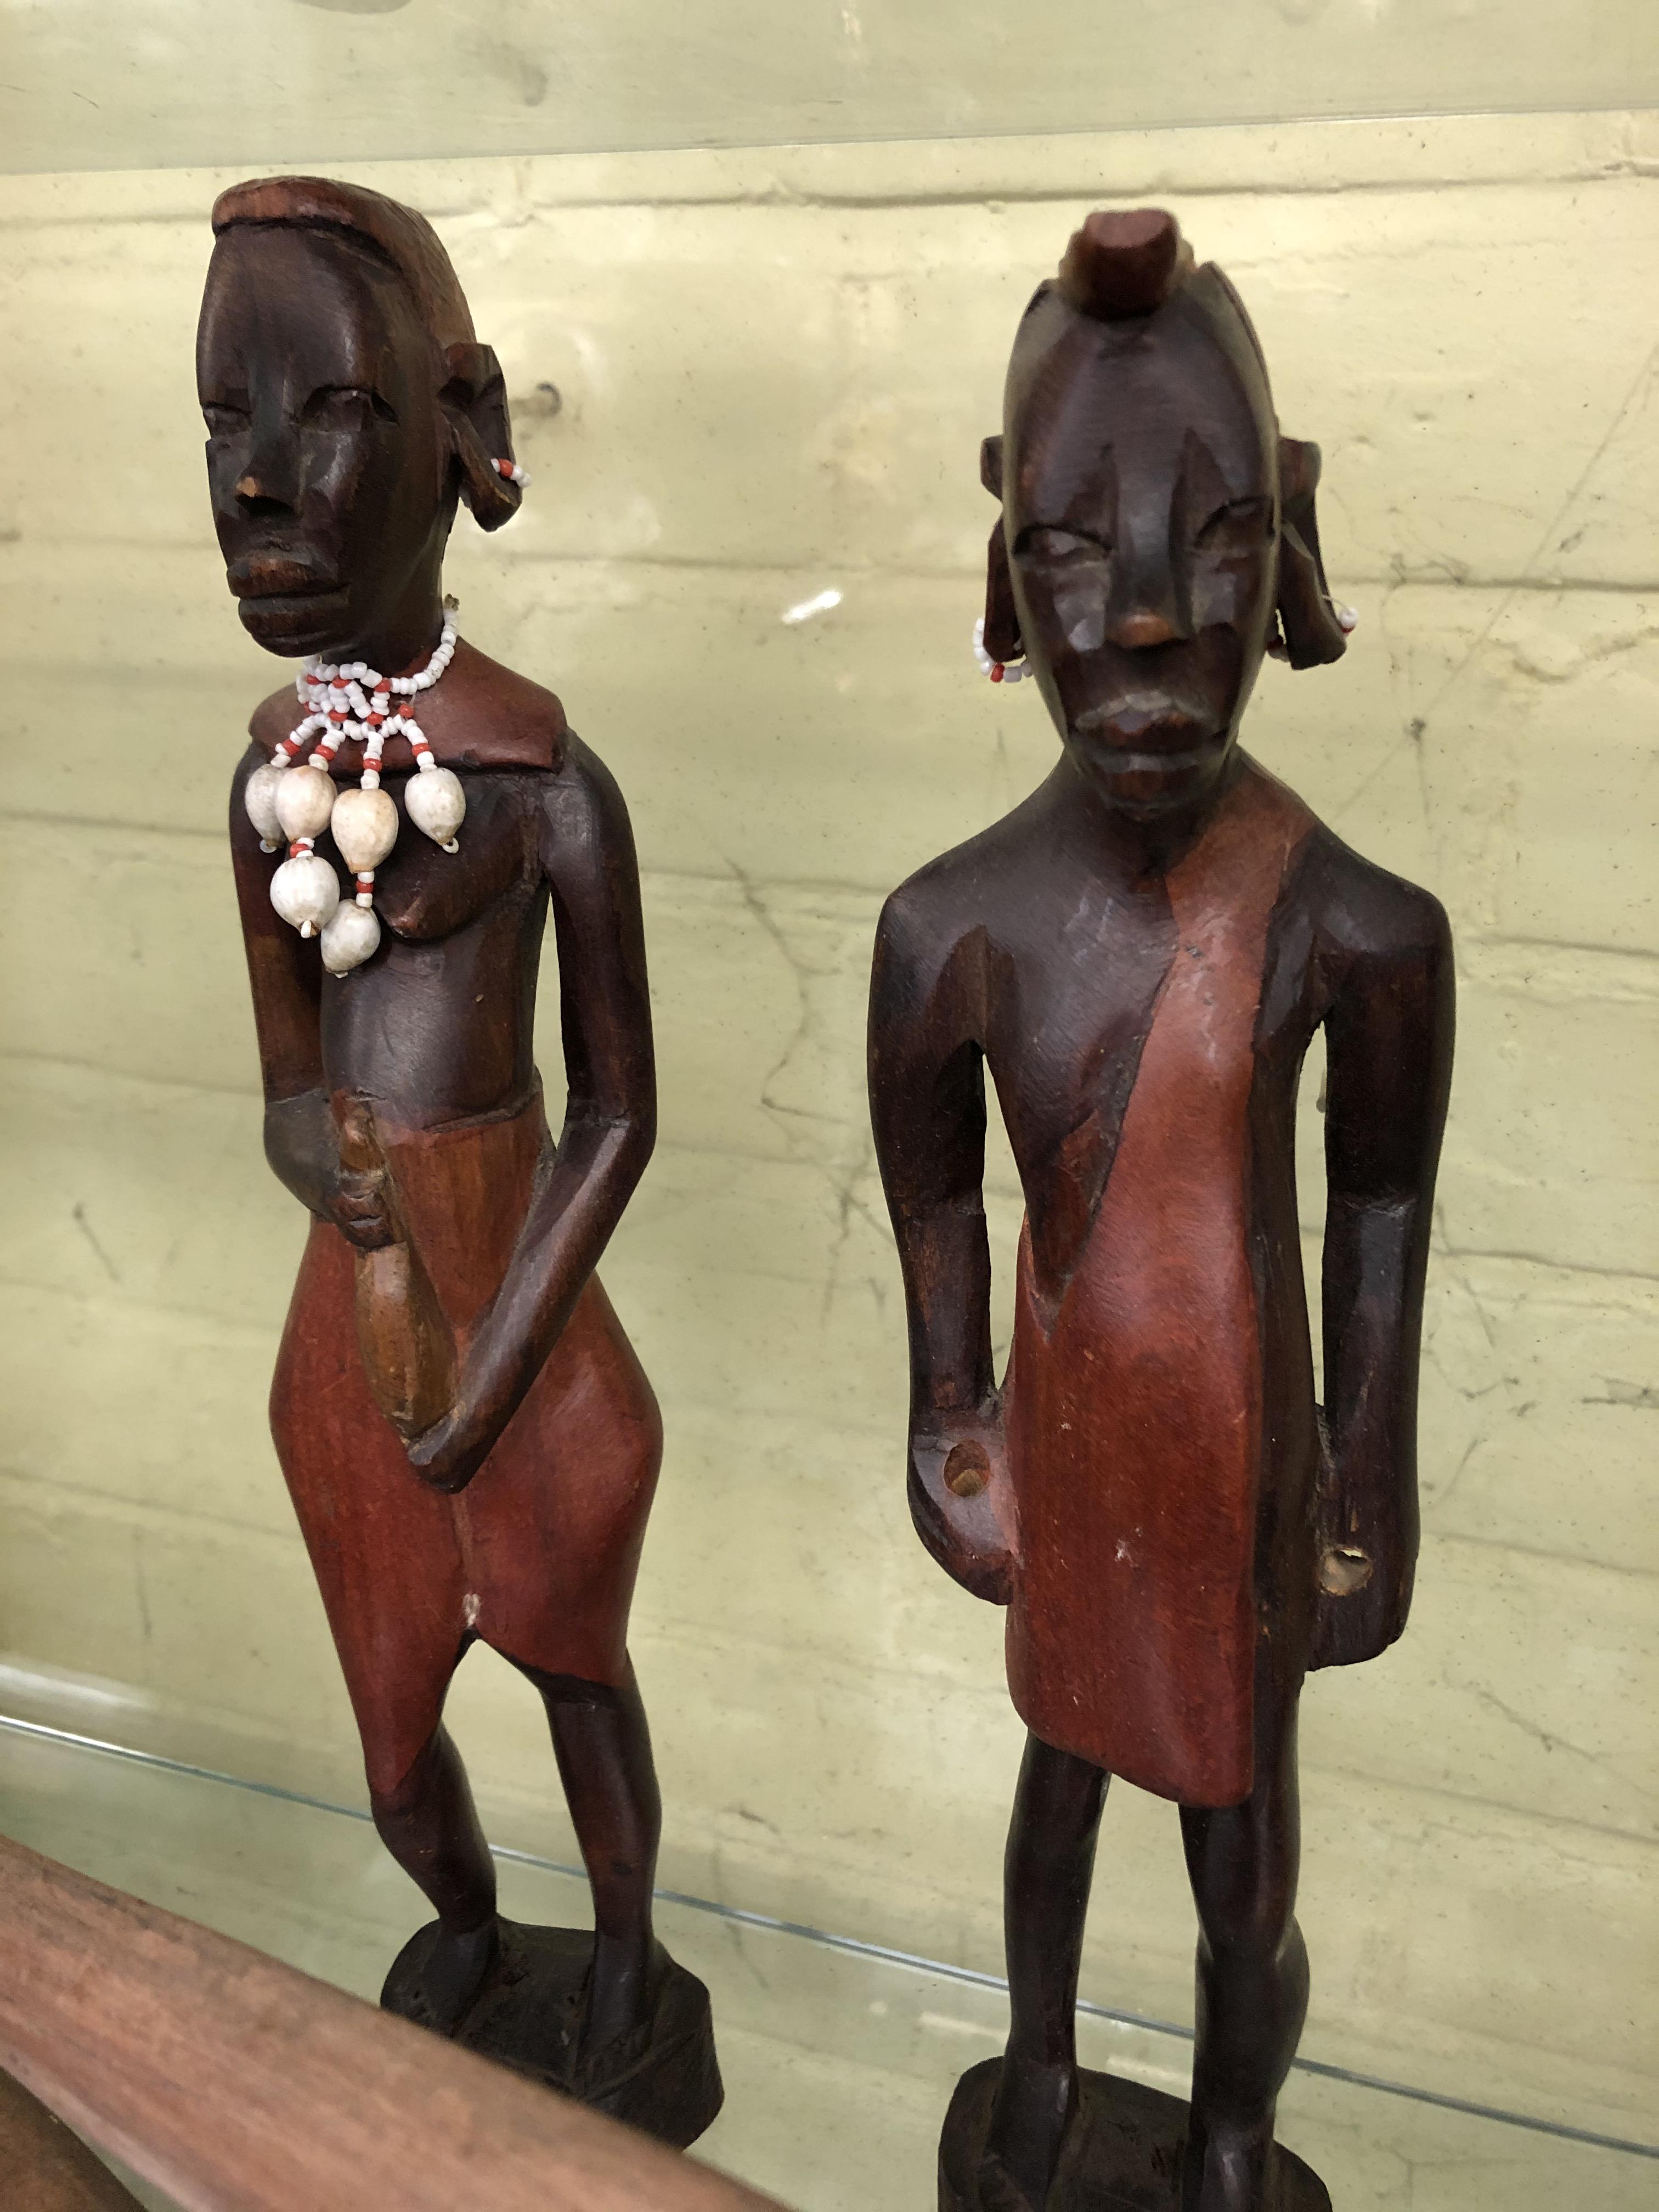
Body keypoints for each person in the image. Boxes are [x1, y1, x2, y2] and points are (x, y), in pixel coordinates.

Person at [868, 208, 1452, 2212]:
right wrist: (953, 1415)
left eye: (1205, 540)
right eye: (1067, 542)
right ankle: (1034, 2065)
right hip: (1073, 1455)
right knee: (1055, 1801)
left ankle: (1227, 2138)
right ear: (1003, 566)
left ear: (1287, 548)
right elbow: (931, 1201)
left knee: (1238, 1851)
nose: (1131, 616)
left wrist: (1365, 1475)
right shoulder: (949, 931)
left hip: (1235, 1487)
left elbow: (1379, 1204)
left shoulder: (1354, 927)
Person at [199, 177, 716, 2135]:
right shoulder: (269, 782)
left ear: (460, 433)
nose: (259, 483)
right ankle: (474, 1935)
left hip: (527, 1324)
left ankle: (630, 1953)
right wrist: (318, 1164)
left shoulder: (545, 786)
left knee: (579, 1670)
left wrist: (504, 1355)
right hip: (359, 1327)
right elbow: (274, 1077)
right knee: (399, 1750)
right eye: (220, 423)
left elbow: (622, 1106)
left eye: (323, 413)